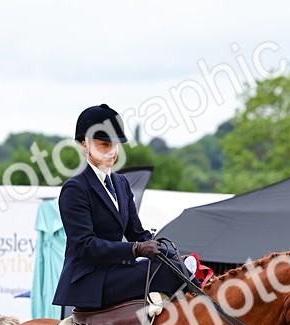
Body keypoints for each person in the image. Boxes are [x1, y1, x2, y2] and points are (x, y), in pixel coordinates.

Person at [52, 103, 188, 312]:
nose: (112, 152)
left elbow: (137, 233)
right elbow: (85, 246)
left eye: (115, 145)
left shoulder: (121, 183)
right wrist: (135, 249)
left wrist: (172, 254)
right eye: (104, 145)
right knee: (161, 271)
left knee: (175, 267)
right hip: (89, 280)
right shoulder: (75, 188)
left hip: (116, 272)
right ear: (84, 144)